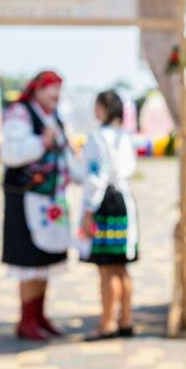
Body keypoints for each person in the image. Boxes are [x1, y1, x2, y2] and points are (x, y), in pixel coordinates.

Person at [0, 70, 75, 341]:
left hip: (51, 200)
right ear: (38, 90)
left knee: (44, 260)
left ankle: (39, 315)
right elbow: (10, 154)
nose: (56, 94)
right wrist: (42, 142)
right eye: (51, 87)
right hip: (27, 198)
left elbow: (66, 153)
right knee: (29, 260)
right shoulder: (20, 114)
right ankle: (27, 319)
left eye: (59, 88)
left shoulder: (54, 116)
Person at [79, 90, 139, 340]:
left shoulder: (98, 137)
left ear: (104, 108)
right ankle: (126, 318)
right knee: (121, 266)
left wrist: (88, 209)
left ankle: (107, 322)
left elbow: (97, 175)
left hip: (105, 201)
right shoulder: (124, 136)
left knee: (107, 267)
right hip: (123, 199)